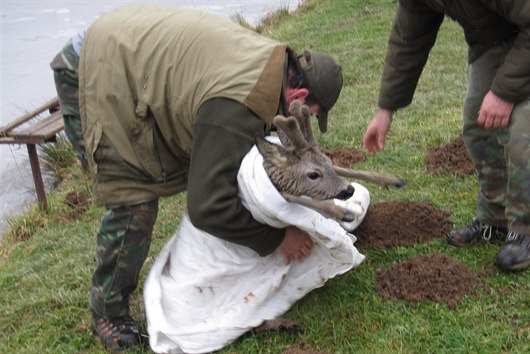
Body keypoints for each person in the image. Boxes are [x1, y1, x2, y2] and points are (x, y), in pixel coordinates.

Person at [50, 4, 343, 351]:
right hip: (94, 67)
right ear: (299, 95)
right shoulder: (239, 103)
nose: (303, 120)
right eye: (309, 113)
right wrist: (275, 239)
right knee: (132, 198)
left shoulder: (272, 66)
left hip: (128, 50)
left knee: (208, 165)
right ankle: (107, 310)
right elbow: (207, 207)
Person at [363, 0, 530, 272]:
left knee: (525, 119)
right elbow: (410, 35)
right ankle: (494, 217)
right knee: (478, 120)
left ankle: (526, 228)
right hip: (500, 27)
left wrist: (503, 93)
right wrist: (386, 108)